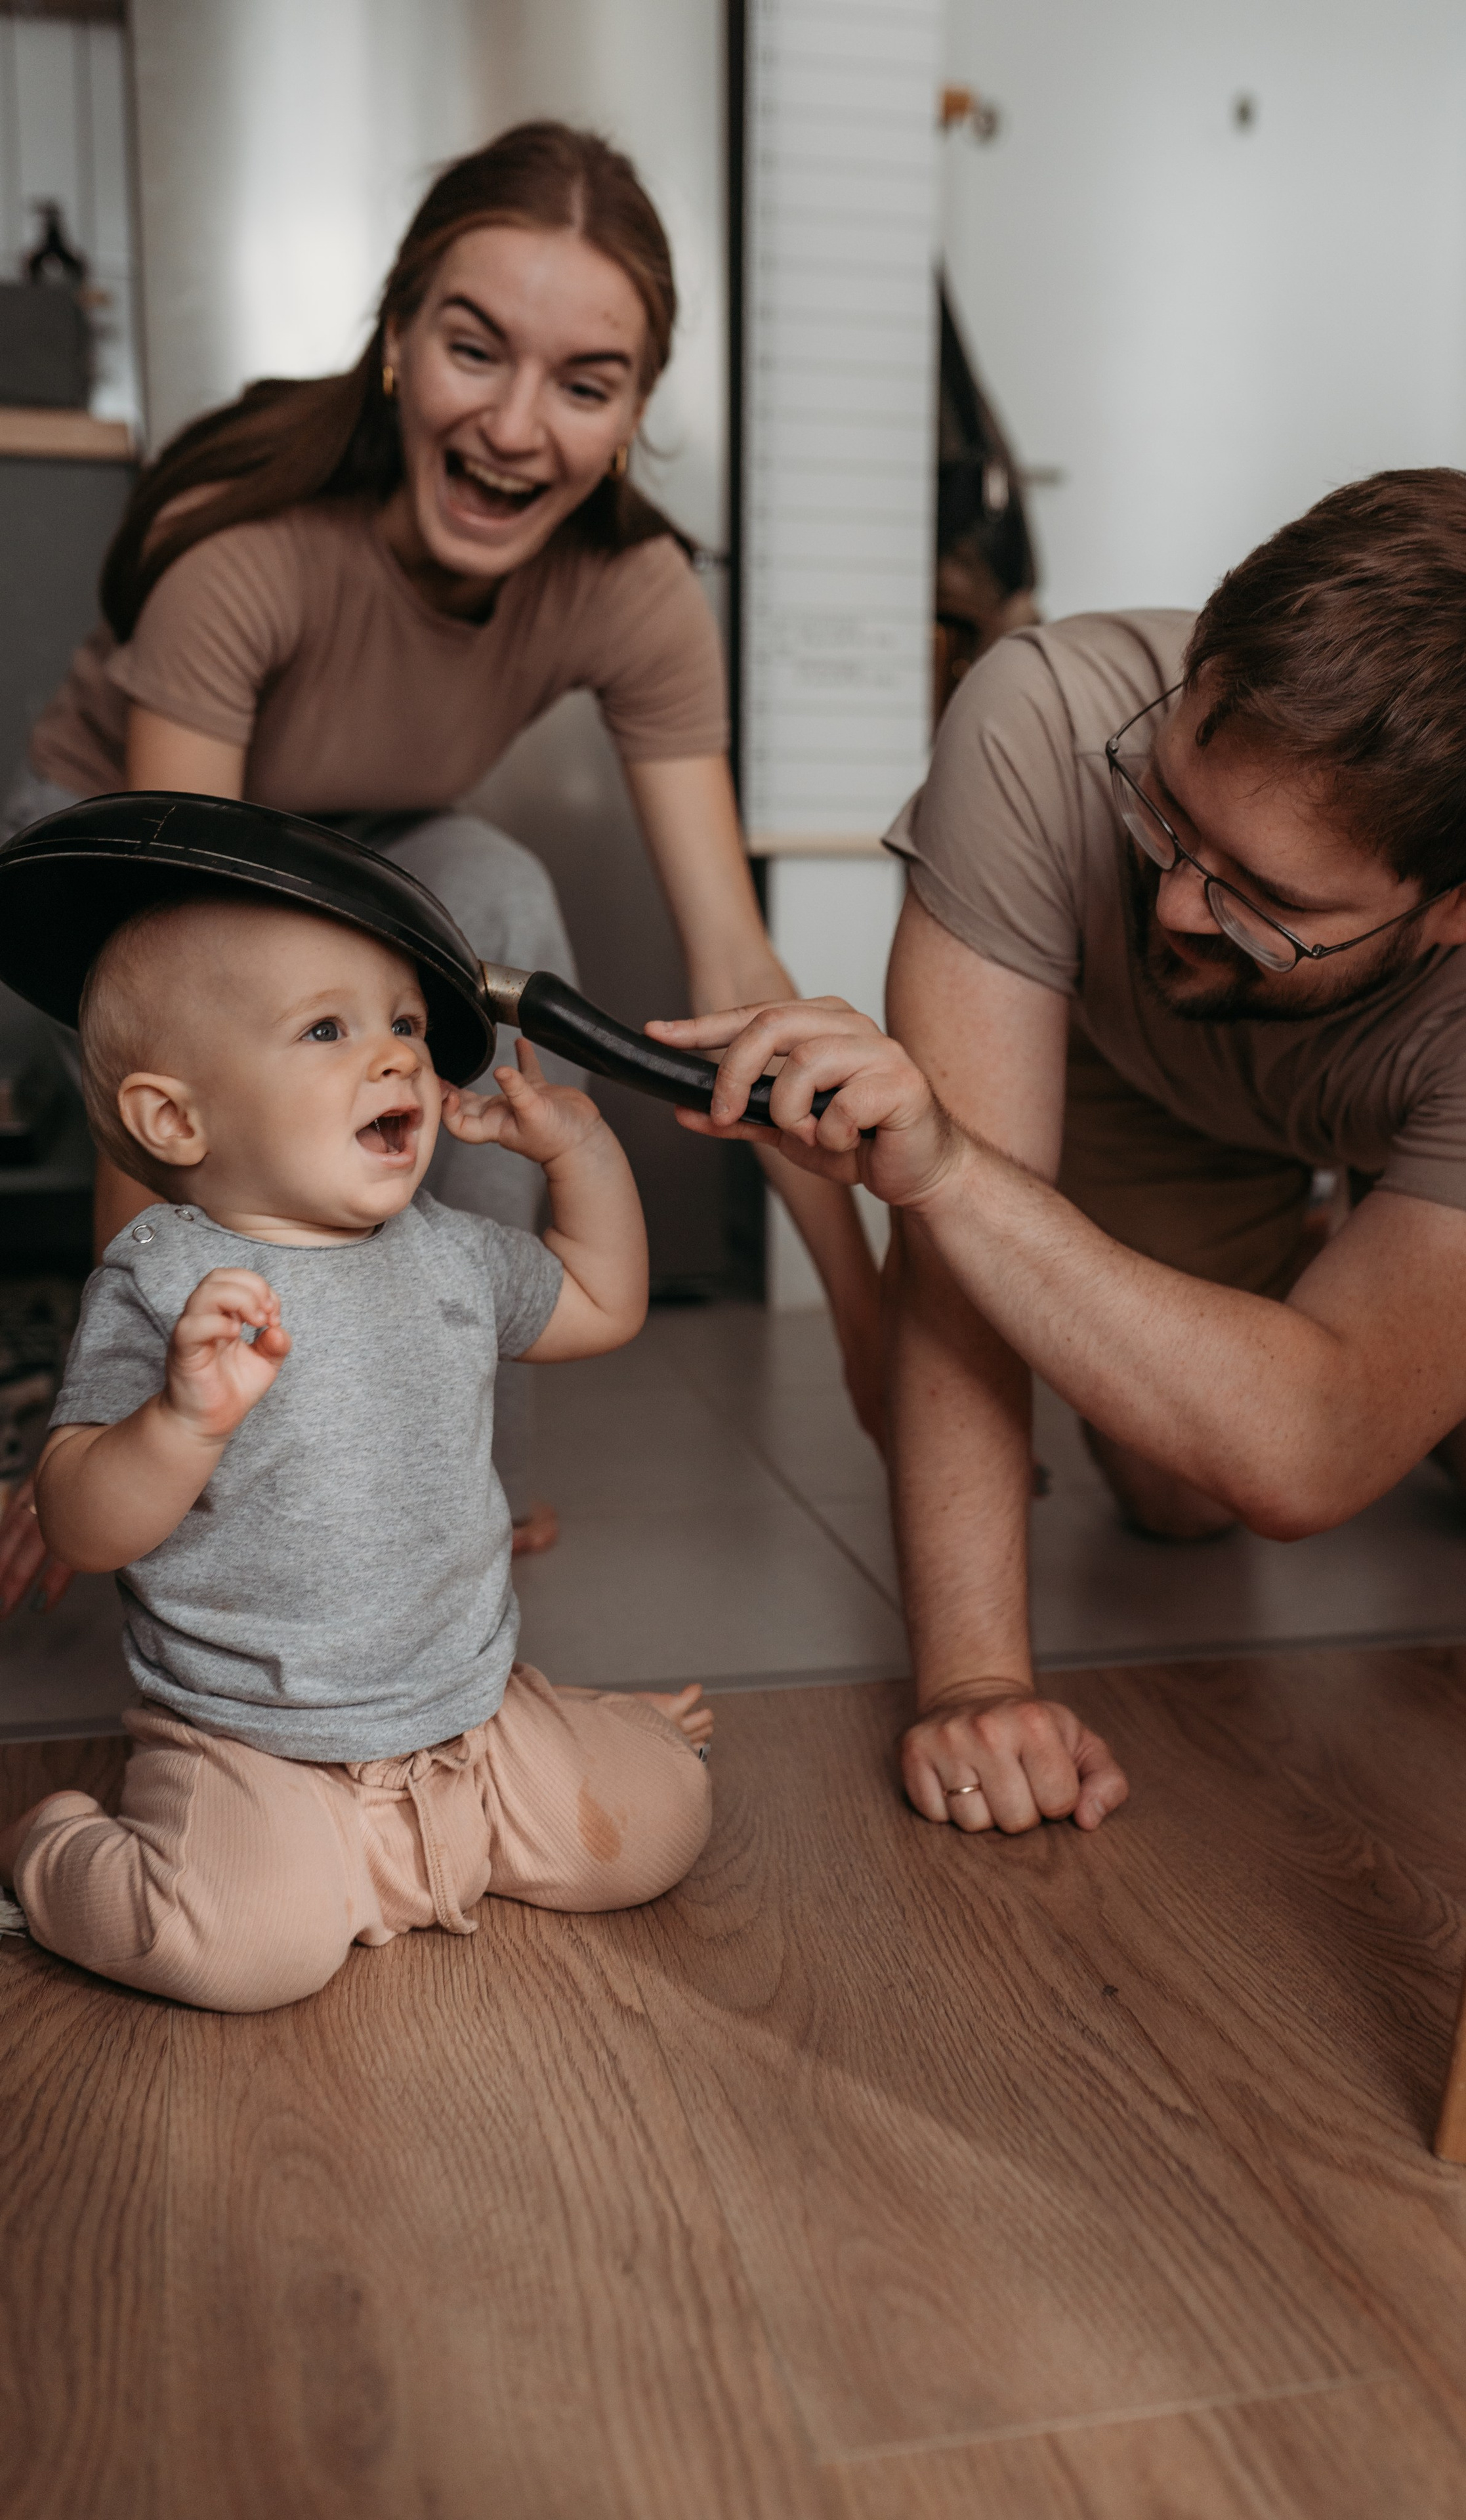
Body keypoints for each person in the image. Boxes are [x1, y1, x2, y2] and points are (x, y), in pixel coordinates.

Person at [650, 471, 1466, 1837]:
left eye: (1267, 898)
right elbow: (957, 1244)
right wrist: (972, 1678)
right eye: (1169, 813)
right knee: (1179, 1494)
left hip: (1462, 1108)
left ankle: (1366, 1271)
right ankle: (1321, 1281)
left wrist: (963, 1176)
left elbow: (1310, 1455)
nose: (1175, 905)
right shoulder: (1042, 721)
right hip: (1155, 1092)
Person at [0, 117, 880, 1609]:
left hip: (363, 838)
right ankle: (214, 1435)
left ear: (633, 411)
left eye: (584, 385)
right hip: (124, 846)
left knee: (500, 906)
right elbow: (167, 981)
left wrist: (868, 1341)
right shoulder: (250, 549)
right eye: (476, 350)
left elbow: (739, 978)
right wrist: (114, 1435)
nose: (520, 428)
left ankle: (456, 1465)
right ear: (398, 338)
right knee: (244, 1029)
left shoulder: (632, 588)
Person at [0, 885, 711, 2011]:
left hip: (466, 1715)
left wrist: (582, 1158)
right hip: (254, 1741)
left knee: (657, 1828)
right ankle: (58, 1854)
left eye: (408, 1026)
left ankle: (571, 1741)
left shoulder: (451, 1254)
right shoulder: (165, 1284)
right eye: (328, 1030)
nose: (394, 1059)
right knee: (240, 1955)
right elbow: (82, 1521)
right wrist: (180, 1424)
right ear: (176, 1121)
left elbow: (601, 1301)